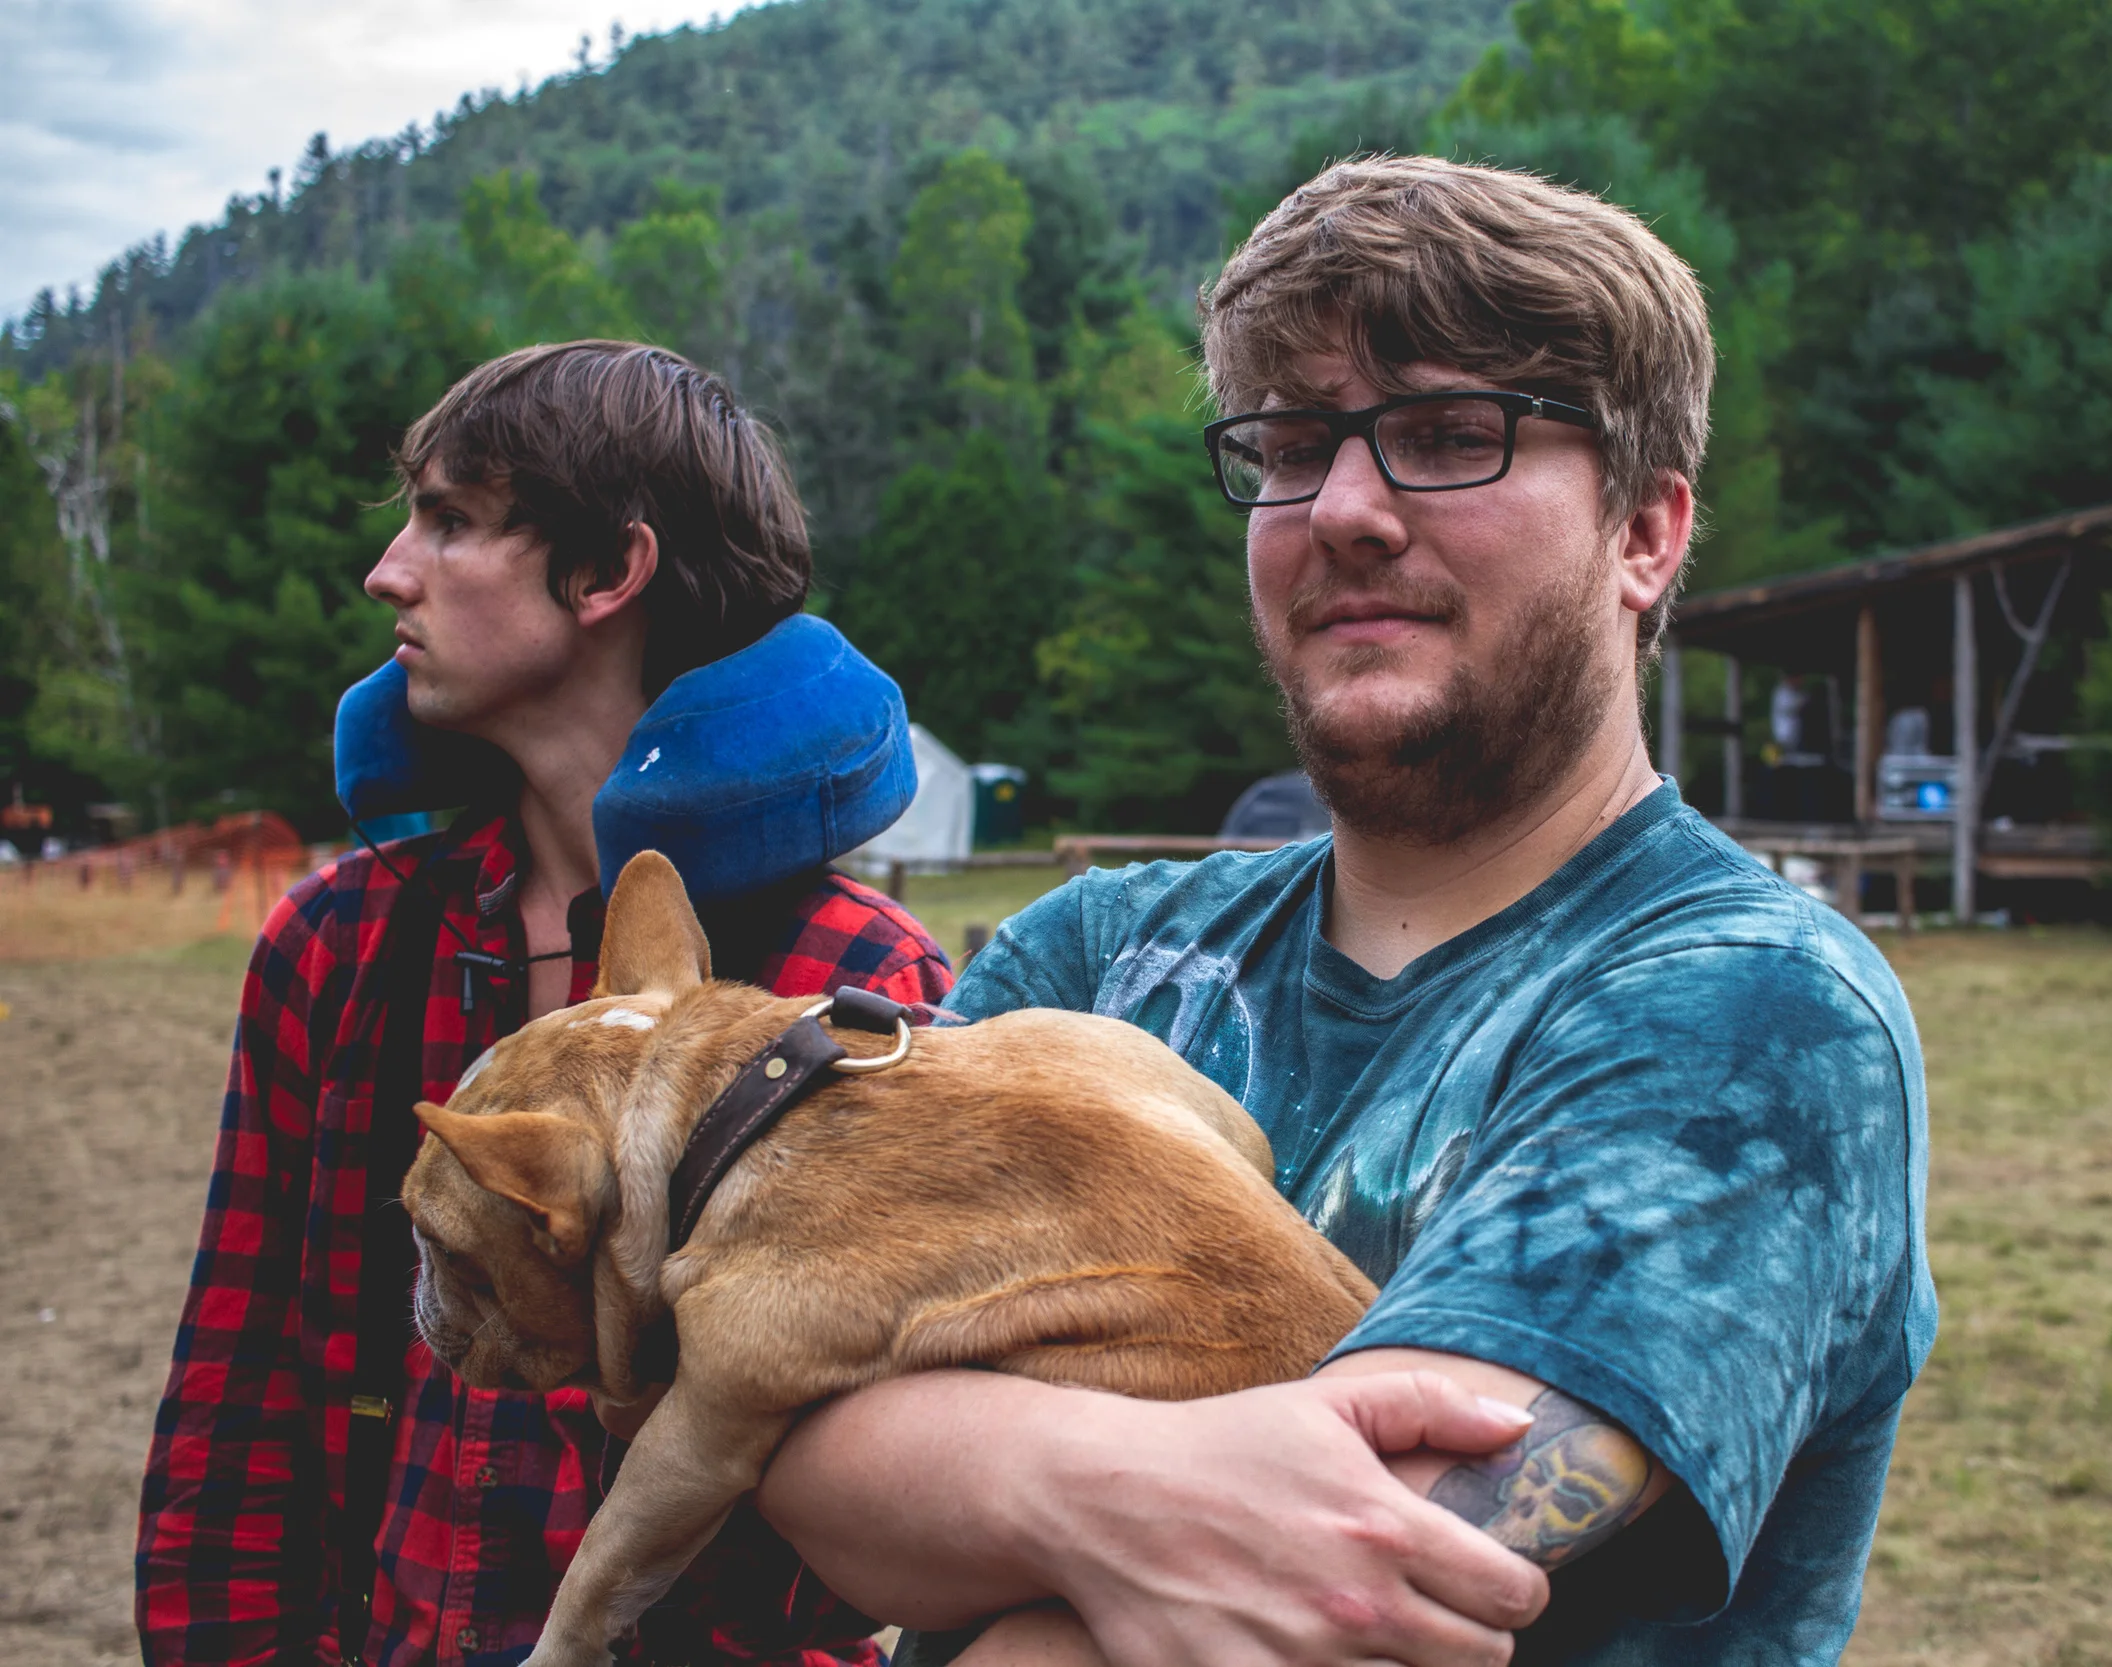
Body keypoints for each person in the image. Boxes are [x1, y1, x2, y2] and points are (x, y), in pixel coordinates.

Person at [757, 156, 1935, 1665]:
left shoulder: (1755, 1012)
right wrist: (1088, 1499)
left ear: (1645, 532)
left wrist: (973, 1487)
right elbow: (775, 1417)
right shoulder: (1095, 957)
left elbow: (1355, 1575)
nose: (1345, 509)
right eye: (1293, 446)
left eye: (1448, 435)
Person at [136, 341, 952, 1667]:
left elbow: (871, 1540)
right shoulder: (339, 946)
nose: (386, 571)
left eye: (451, 521)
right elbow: (241, 1400)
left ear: (608, 571)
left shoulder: (852, 989)